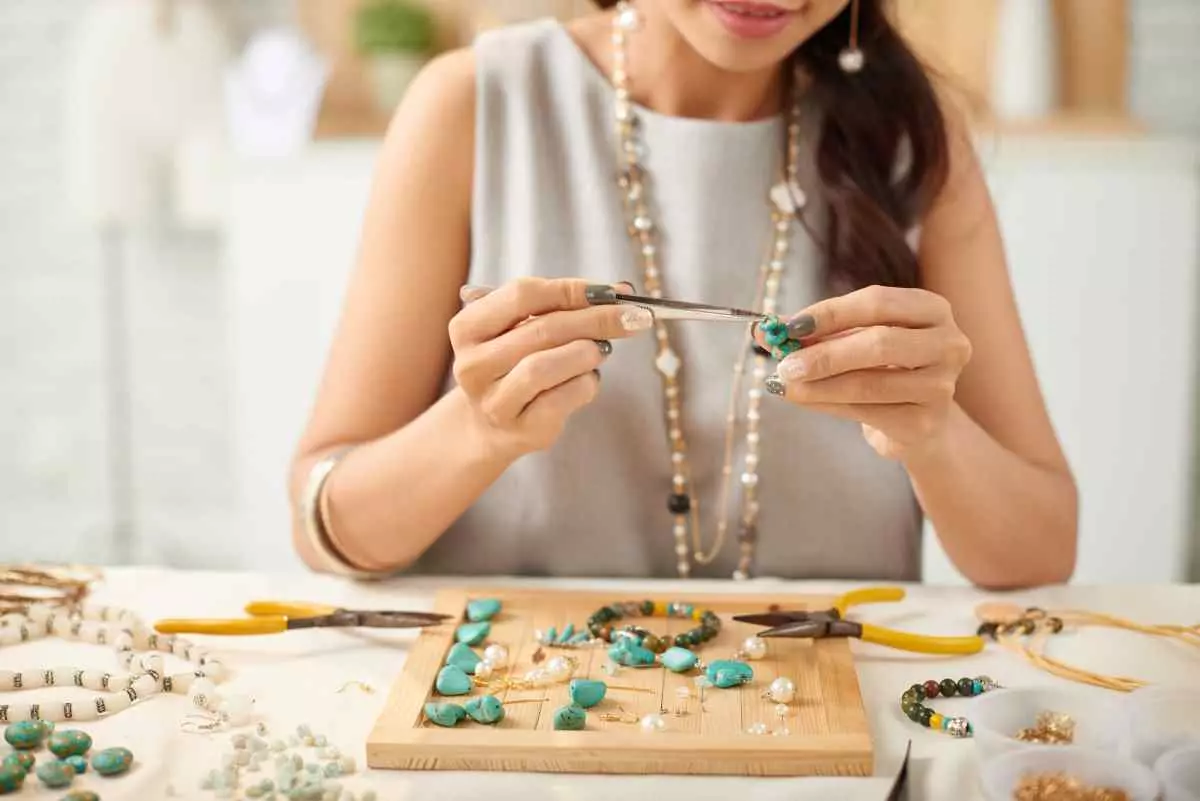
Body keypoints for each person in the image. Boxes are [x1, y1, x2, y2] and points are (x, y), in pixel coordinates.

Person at [288, 0, 1077, 588]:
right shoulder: (475, 103)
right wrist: (476, 429)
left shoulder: (915, 136)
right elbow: (324, 524)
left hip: (835, 744)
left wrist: (935, 434)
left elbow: (1042, 554)